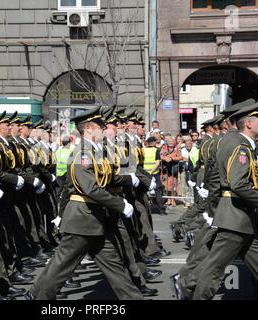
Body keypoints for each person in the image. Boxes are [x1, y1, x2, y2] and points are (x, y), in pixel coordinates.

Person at [25, 105, 143, 300]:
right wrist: (120, 204)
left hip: (95, 219)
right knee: (62, 266)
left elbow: (105, 179)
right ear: (88, 128)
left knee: (114, 267)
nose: (104, 129)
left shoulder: (93, 151)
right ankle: (38, 296)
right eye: (100, 125)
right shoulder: (83, 154)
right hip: (82, 219)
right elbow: (90, 188)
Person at [193, 103, 258, 300]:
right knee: (213, 270)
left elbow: (253, 182)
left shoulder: (243, 144)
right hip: (235, 220)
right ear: (248, 124)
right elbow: (238, 185)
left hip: (244, 220)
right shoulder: (240, 147)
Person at [160, 137, 182, 206]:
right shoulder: (163, 148)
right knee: (166, 186)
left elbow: (180, 157)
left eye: (172, 141)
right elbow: (160, 156)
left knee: (173, 185)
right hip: (165, 169)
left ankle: (173, 199)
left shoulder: (177, 149)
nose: (171, 142)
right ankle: (168, 199)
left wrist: (172, 158)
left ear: (175, 142)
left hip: (174, 169)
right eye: (169, 141)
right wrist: (165, 158)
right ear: (167, 142)